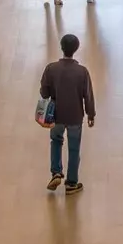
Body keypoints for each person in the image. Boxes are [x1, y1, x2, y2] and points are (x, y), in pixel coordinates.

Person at [39, 32, 96, 194]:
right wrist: (91, 114)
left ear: (61, 47)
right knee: (74, 148)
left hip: (56, 115)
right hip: (75, 116)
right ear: (76, 49)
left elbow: (44, 92)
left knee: (56, 141)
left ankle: (56, 172)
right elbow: (88, 95)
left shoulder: (51, 69)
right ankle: (71, 183)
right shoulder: (82, 72)